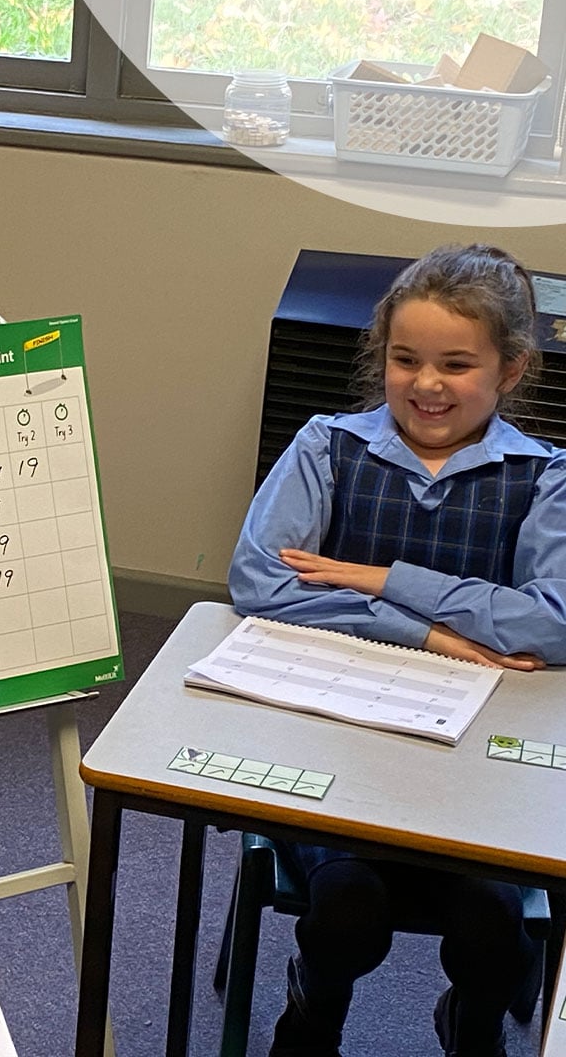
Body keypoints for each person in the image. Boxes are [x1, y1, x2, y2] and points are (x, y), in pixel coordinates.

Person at [227, 244, 566, 1057]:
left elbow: (552, 624)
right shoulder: (326, 446)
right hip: (334, 750)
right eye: (405, 359)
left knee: (492, 929)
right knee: (347, 909)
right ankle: (313, 1014)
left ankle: (472, 1023)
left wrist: (381, 577)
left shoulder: (546, 477)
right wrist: (429, 633)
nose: (426, 384)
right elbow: (260, 584)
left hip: (478, 777)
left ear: (511, 371)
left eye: (456, 364)